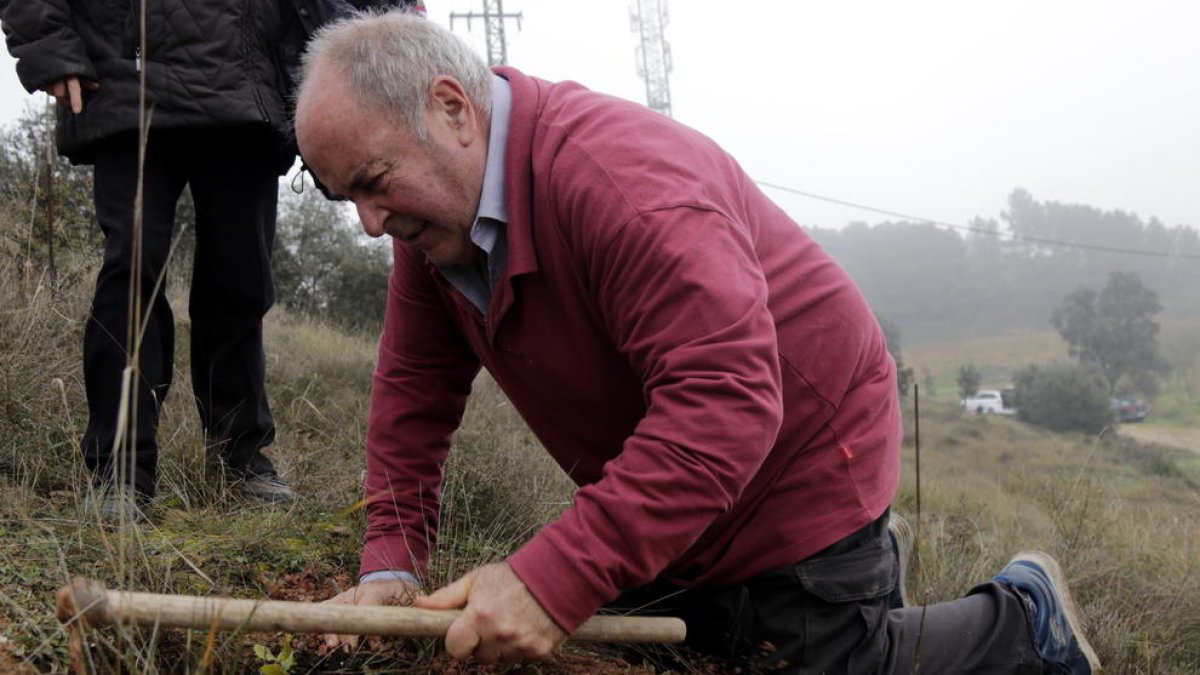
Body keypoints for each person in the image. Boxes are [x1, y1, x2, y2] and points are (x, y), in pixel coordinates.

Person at [294, 12, 1102, 674]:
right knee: (688, 646)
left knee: (806, 659)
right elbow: (414, 391)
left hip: (805, 443)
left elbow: (727, 400)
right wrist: (391, 564)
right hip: (677, 448)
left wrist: (554, 577)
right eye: (345, 200)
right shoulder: (436, 229)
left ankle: (1023, 621)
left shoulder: (619, 183)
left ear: (451, 109)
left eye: (373, 181)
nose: (370, 224)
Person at [0, 0, 423, 520]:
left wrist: (395, 20)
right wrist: (49, 46)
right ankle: (119, 469)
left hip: (244, 90)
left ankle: (240, 461)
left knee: (240, 282)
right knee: (131, 274)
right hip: (125, 81)